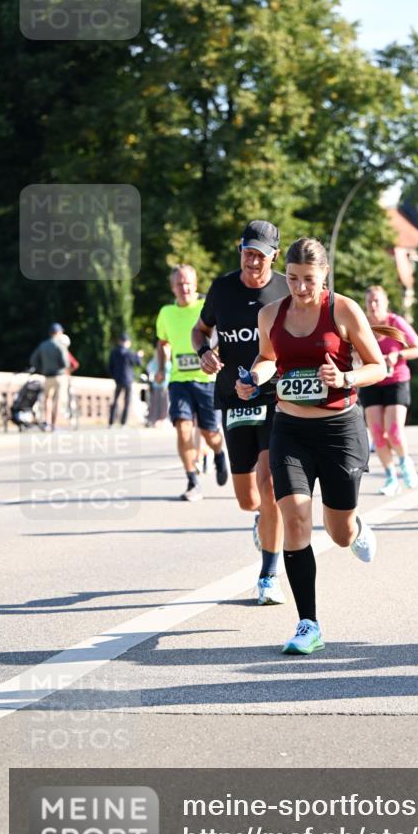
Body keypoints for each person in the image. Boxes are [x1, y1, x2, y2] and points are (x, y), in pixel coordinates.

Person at [236, 237, 386, 655]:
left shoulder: (342, 309)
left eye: (309, 280)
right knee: (297, 518)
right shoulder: (271, 313)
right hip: (290, 430)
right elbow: (267, 358)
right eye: (294, 279)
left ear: (324, 276)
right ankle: (308, 624)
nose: (301, 288)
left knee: (338, 534)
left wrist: (346, 379)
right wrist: (254, 379)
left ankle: (355, 526)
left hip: (340, 432)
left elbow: (379, 366)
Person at [193, 220, 289, 606]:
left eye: (260, 255)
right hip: (234, 400)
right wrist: (204, 353)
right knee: (248, 498)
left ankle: (268, 573)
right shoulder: (222, 288)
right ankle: (261, 521)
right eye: (247, 252)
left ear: (274, 256)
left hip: (275, 397)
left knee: (269, 487)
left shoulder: (286, 288)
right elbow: (201, 331)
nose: (252, 261)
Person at [155, 265, 228, 500]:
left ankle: (218, 453)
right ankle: (192, 481)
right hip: (179, 380)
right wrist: (159, 368)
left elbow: (222, 335)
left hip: (206, 379)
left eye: (188, 283)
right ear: (172, 287)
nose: (184, 287)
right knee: (182, 428)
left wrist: (212, 354)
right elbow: (162, 342)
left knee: (210, 434)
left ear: (195, 284)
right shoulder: (166, 312)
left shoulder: (206, 307)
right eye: (179, 284)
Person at [361, 285, 418, 495]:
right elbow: (349, 350)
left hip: (396, 379)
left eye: (377, 300)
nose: (373, 305)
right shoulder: (362, 324)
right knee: (378, 434)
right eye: (370, 301)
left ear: (386, 303)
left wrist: (398, 355)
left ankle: (405, 463)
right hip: (372, 381)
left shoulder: (395, 323)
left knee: (395, 432)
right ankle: (390, 477)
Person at [29, 323, 69, 430]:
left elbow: (33, 359)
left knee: (47, 399)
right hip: (58, 376)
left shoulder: (43, 345)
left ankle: (47, 422)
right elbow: (66, 363)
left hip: (47, 376)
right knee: (58, 400)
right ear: (58, 332)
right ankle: (55, 425)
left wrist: (41, 368)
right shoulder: (60, 345)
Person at [108, 333, 144, 427]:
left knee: (115, 401)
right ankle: (123, 423)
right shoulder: (130, 353)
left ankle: (111, 422)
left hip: (118, 380)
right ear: (128, 342)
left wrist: (115, 377)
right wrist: (139, 356)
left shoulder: (114, 352)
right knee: (126, 402)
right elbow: (138, 364)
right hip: (128, 380)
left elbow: (110, 367)